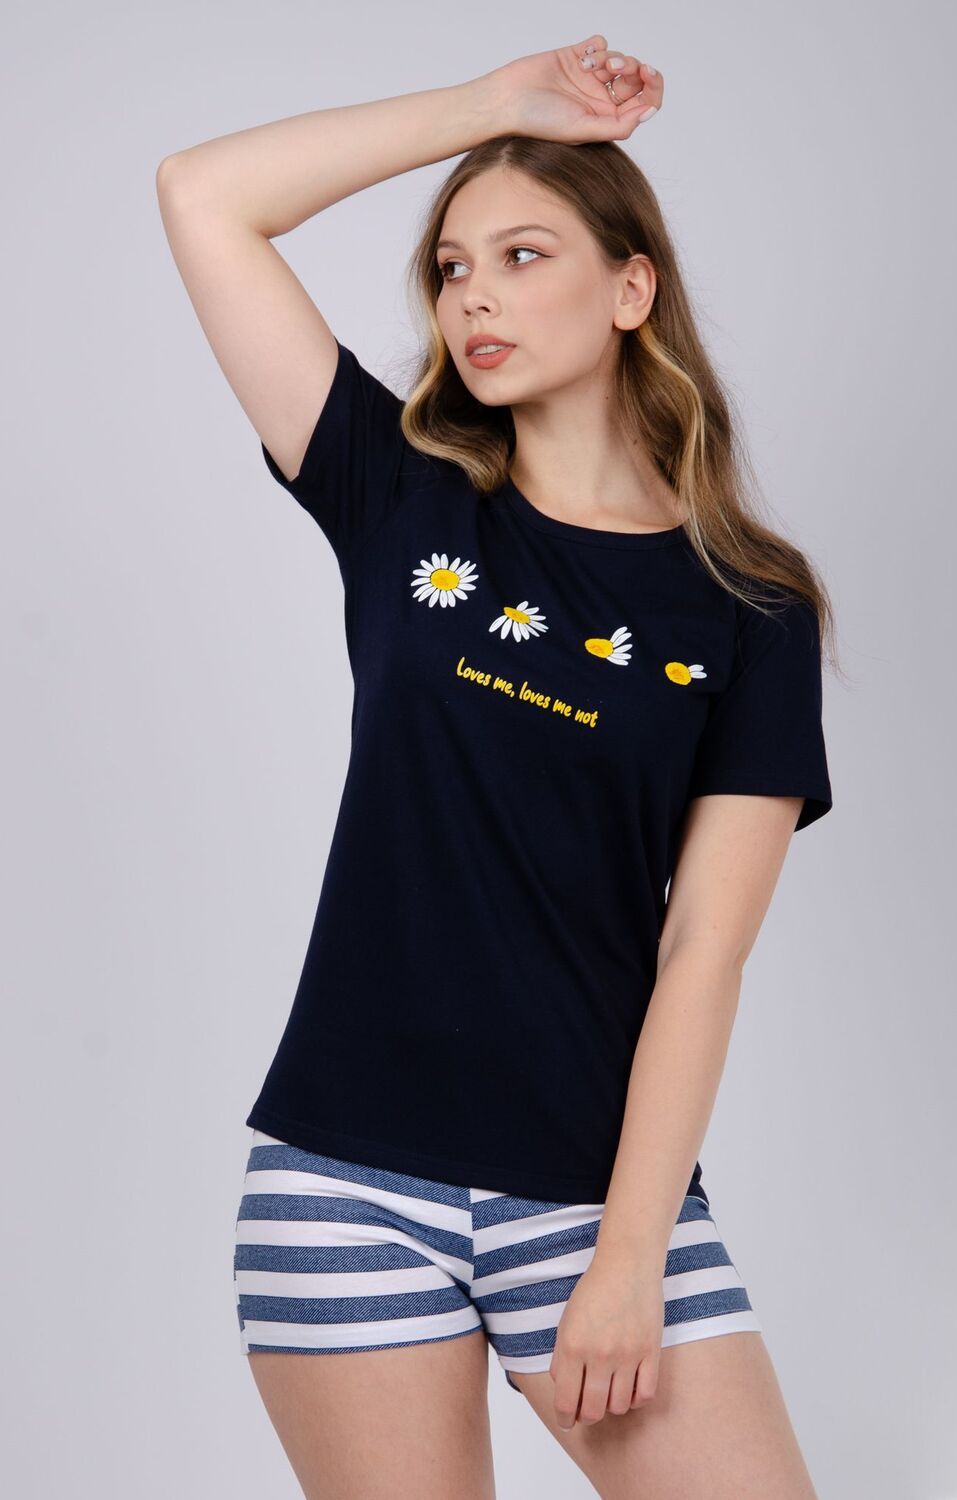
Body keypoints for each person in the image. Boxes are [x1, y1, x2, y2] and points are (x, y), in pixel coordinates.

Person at [157, 32, 835, 1500]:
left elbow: (705, 951)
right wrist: (491, 109)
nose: (473, 296)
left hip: (598, 1195)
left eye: (524, 256)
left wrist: (632, 1255)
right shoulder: (400, 497)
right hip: (345, 1184)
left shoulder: (750, 608)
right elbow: (204, 193)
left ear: (631, 288)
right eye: (452, 268)